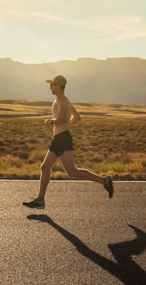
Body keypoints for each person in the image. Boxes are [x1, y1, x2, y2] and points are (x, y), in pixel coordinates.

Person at [23, 74, 114, 209]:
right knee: (46, 167)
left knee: (72, 171)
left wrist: (51, 121)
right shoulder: (64, 100)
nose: (50, 87)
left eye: (52, 85)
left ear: (58, 86)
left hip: (63, 139)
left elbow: (62, 118)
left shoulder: (61, 100)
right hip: (60, 138)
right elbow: (76, 117)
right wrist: (65, 125)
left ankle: (105, 180)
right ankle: (40, 200)